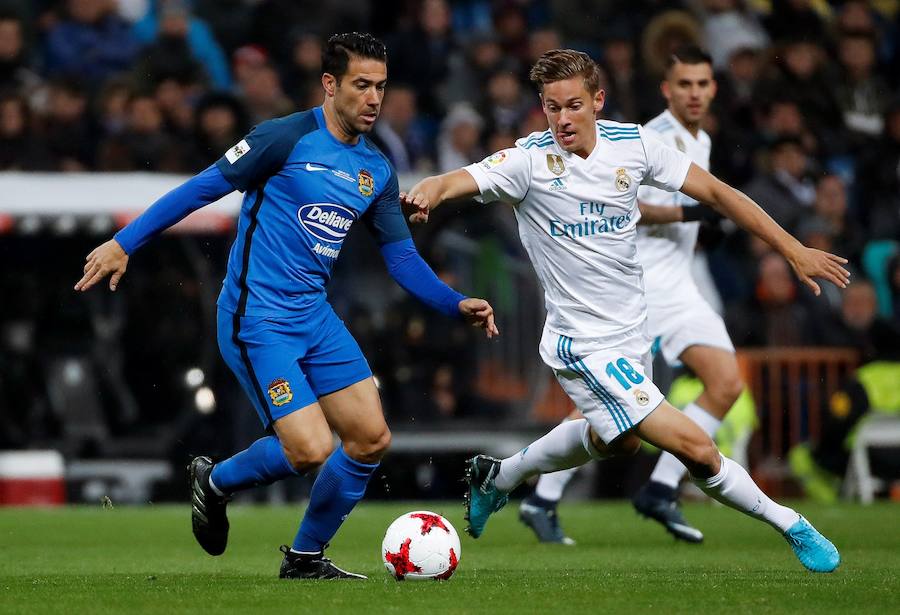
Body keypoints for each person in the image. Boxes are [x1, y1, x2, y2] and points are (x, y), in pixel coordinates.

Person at [402, 49, 848, 573]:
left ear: (598, 101)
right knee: (696, 448)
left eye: (572, 105)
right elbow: (457, 179)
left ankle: (497, 476)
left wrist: (793, 249)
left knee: (617, 443)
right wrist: (427, 191)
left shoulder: (633, 146)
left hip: (631, 335)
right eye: (551, 107)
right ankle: (790, 523)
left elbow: (719, 194)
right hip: (580, 344)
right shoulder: (528, 163)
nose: (562, 119)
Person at [74, 32, 498, 580]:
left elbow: (402, 259)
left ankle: (304, 558)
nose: (374, 99)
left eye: (382, 87)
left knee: (371, 439)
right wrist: (122, 243)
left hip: (315, 318)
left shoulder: (376, 169)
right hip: (257, 318)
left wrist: (453, 301)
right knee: (310, 449)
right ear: (330, 85)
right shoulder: (283, 137)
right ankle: (216, 481)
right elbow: (201, 189)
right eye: (362, 86)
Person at [519, 45, 742, 545]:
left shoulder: (700, 139)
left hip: (681, 282)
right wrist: (692, 214)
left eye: (703, 84)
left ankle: (660, 488)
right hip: (639, 282)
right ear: (668, 90)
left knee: (725, 383)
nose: (695, 94)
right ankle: (541, 495)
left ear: (714, 89)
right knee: (616, 407)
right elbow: (631, 201)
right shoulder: (652, 137)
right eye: (685, 85)